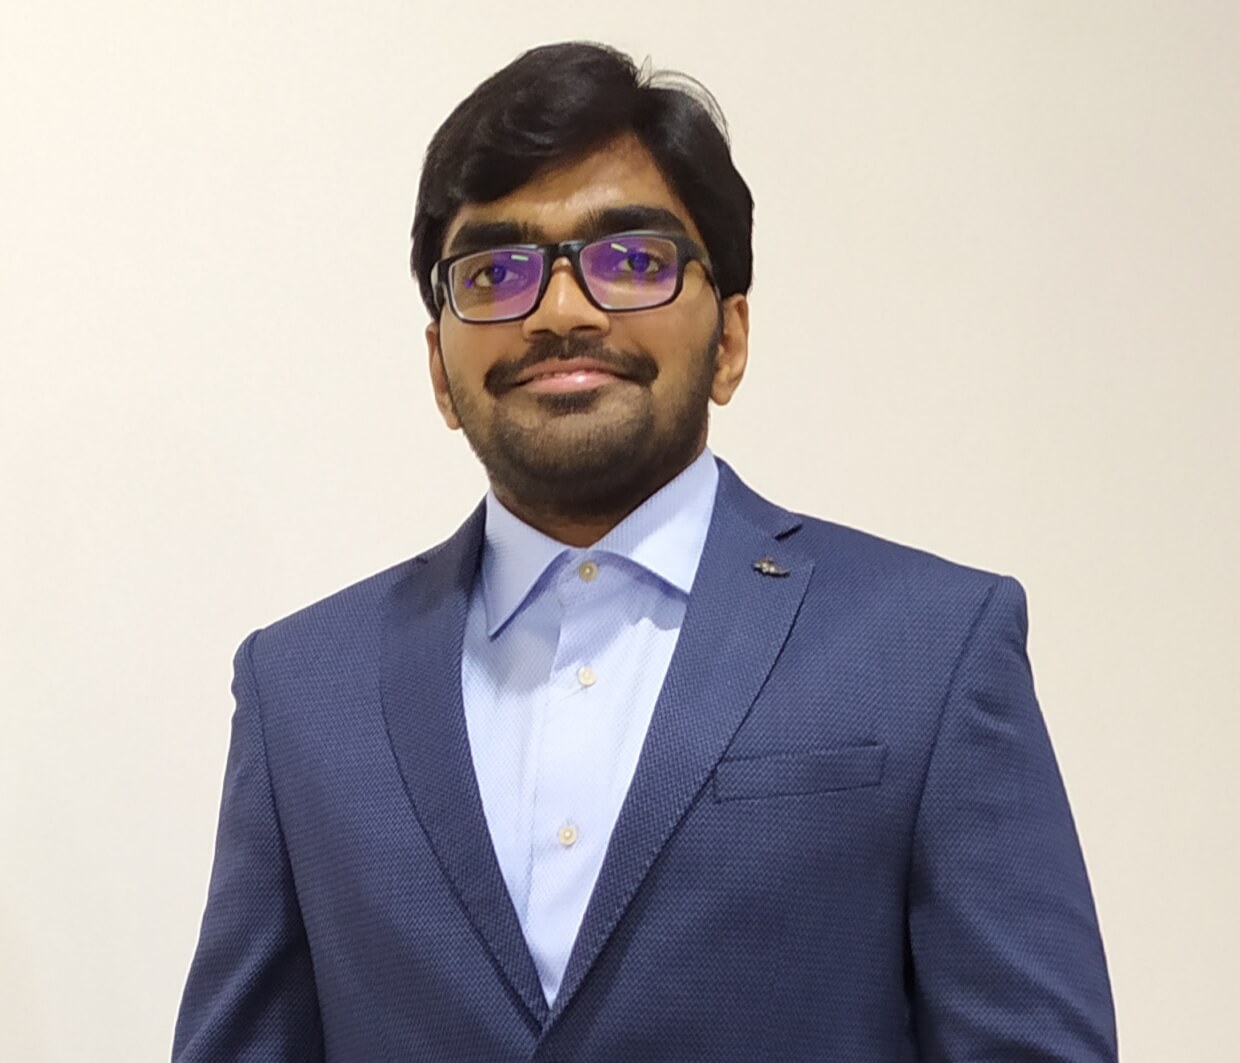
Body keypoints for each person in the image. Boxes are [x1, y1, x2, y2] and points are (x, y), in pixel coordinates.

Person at [173, 41, 1118, 1062]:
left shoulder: (930, 646)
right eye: (495, 271)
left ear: (729, 338)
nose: (562, 310)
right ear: (440, 371)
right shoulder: (302, 688)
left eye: (632, 261)